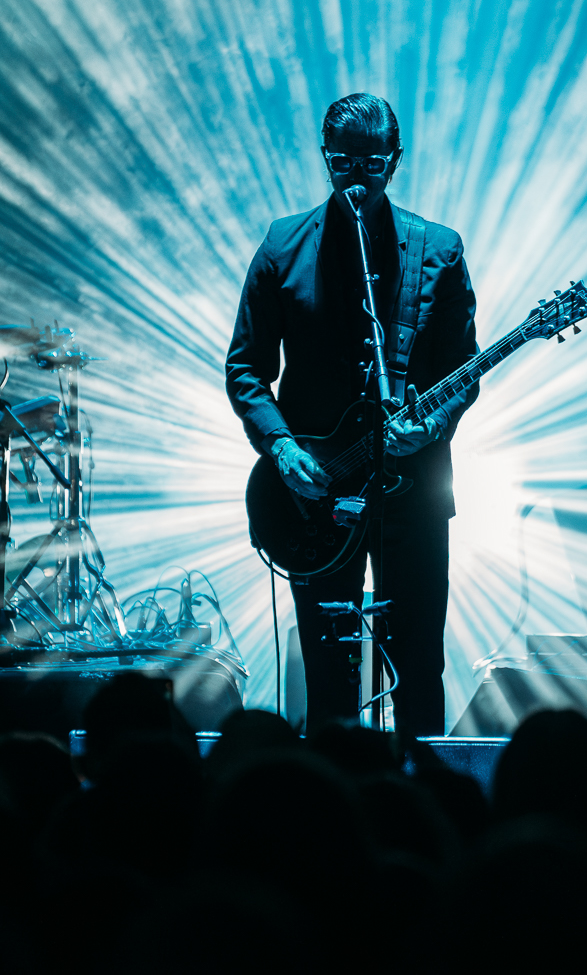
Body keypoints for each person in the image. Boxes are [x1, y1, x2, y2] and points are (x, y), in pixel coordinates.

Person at [226, 94, 477, 740]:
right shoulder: (282, 245)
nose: (357, 178)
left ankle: (423, 812)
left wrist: (434, 421)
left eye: (371, 163)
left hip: (413, 490)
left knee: (419, 664)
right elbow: (246, 367)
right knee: (329, 670)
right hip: (312, 497)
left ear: (394, 161)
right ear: (323, 159)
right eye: (342, 163)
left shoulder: (438, 250)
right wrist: (280, 447)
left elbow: (463, 368)